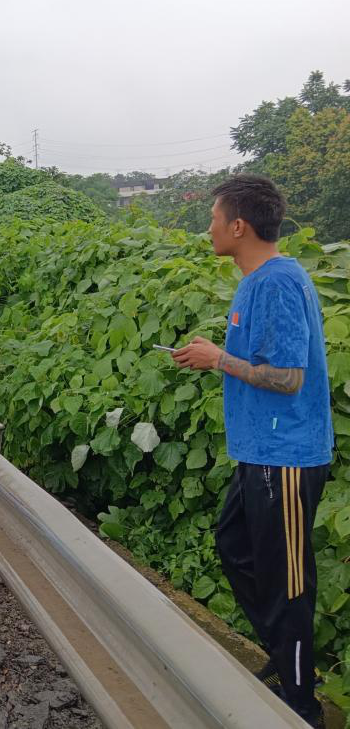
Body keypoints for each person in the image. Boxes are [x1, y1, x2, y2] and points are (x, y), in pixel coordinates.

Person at [172, 175, 332, 727]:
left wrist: (218, 359)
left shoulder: (278, 282)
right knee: (235, 547)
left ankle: (302, 706)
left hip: (286, 456)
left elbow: (288, 377)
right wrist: (212, 354)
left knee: (288, 586)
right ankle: (290, 660)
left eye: (214, 218)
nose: (209, 228)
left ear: (238, 225)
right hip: (260, 452)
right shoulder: (255, 281)